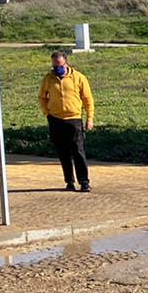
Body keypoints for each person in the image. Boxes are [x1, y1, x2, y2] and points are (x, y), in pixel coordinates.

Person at [38, 50, 95, 192]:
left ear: (66, 63)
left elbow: (88, 99)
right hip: (56, 119)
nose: (57, 68)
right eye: (54, 65)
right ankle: (69, 181)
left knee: (78, 151)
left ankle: (84, 182)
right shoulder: (48, 79)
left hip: (74, 119)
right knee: (63, 152)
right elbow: (42, 97)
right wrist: (47, 113)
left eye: (60, 65)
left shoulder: (79, 77)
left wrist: (90, 118)